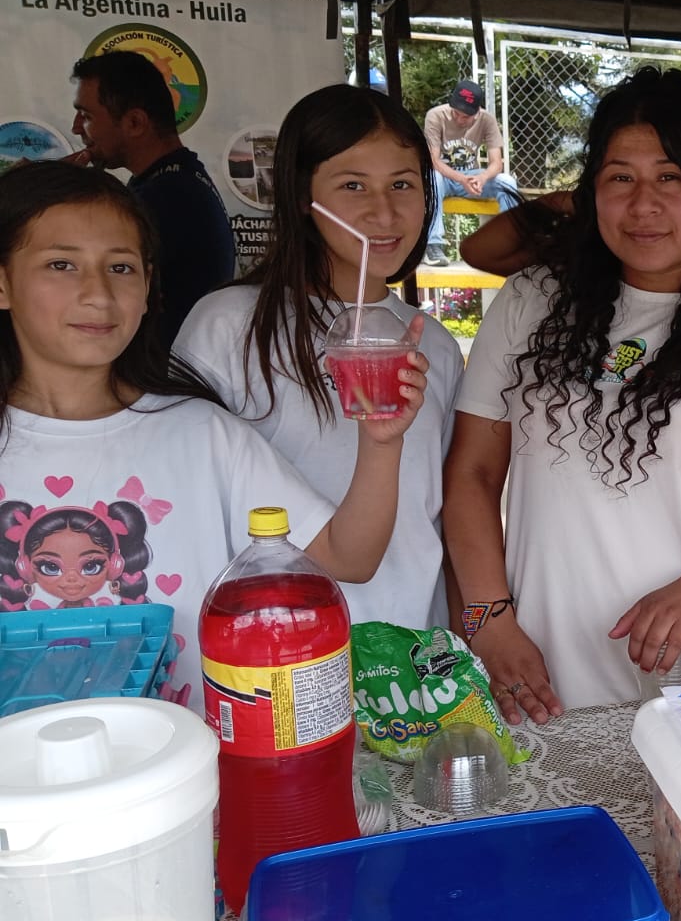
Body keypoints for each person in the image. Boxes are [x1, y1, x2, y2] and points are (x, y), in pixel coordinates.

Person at [443, 67, 681, 721]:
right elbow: (473, 475)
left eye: (670, 177)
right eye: (620, 177)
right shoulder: (529, 305)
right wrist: (490, 621)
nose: (644, 204)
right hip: (542, 659)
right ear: (589, 192)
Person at [0, 162, 425, 709]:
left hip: (185, 778)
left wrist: (382, 441)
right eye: (61, 264)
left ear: (150, 284)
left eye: (122, 268)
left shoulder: (201, 433)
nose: (97, 294)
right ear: (5, 281)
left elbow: (349, 557)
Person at [173, 85, 463, 631]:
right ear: (304, 199)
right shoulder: (228, 325)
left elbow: (436, 515)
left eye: (403, 184)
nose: (384, 211)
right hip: (275, 649)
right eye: (352, 185)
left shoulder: (436, 346)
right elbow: (188, 501)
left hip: (410, 653)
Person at [69, 51, 235, 349]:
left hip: (164, 381)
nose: (76, 128)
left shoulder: (169, 195)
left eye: (87, 116)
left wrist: (29, 193)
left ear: (134, 122)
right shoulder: (169, 180)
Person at [422, 79, 519, 266]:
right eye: (456, 113)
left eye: (465, 116)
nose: (459, 119)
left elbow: (496, 163)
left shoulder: (487, 120)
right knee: (432, 178)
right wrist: (462, 179)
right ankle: (433, 246)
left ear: (477, 112)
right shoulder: (435, 116)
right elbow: (433, 161)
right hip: (444, 177)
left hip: (473, 177)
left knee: (507, 182)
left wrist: (482, 178)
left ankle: (511, 243)